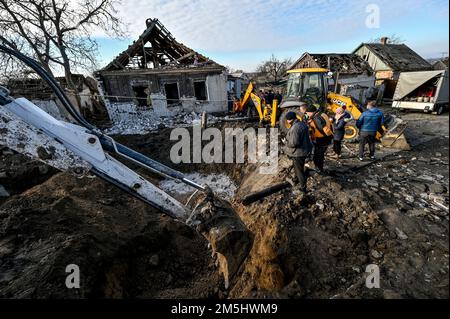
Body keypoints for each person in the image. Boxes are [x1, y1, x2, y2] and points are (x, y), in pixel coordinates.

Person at [283, 111, 313, 193]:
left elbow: (294, 143)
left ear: (290, 120)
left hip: (298, 153)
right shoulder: (302, 124)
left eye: (287, 120)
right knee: (297, 167)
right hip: (304, 150)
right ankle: (295, 179)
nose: (287, 122)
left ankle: (303, 188)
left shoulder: (295, 128)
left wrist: (285, 142)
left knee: (300, 171)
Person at [304, 105, 333, 173]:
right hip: (326, 138)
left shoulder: (317, 118)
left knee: (318, 155)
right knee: (320, 154)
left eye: (307, 113)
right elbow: (330, 124)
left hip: (321, 139)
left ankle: (319, 169)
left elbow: (323, 129)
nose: (307, 115)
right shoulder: (323, 114)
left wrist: (329, 136)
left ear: (311, 112)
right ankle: (319, 167)